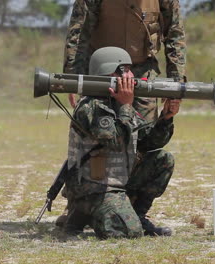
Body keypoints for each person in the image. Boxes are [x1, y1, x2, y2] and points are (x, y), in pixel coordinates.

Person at [64, 47, 181, 238]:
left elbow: (148, 142)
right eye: (124, 69)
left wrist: (166, 117)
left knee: (163, 159)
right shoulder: (92, 106)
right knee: (129, 232)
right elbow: (114, 142)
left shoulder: (117, 103)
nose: (130, 75)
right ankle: (84, 210)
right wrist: (126, 106)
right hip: (94, 187)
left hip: (115, 182)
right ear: (108, 72)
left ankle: (136, 214)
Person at [63, 0, 186, 120]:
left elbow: (174, 35)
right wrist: (73, 78)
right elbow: (79, 32)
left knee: (146, 132)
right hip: (102, 73)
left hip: (143, 73)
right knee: (98, 128)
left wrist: (176, 85)